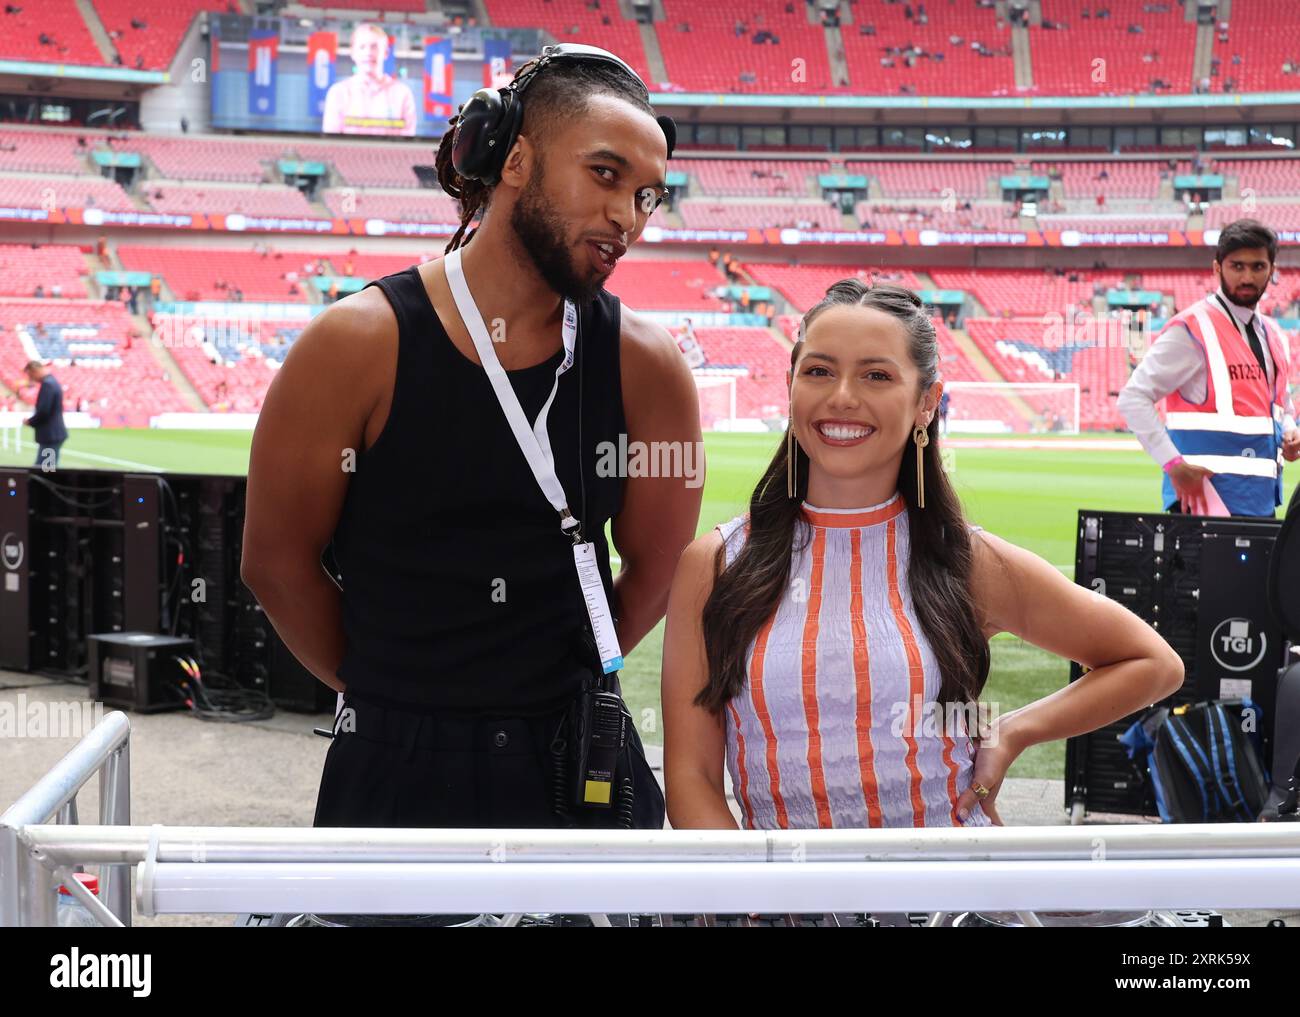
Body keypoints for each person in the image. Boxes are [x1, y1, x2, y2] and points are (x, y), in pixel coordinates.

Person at [242, 46, 700, 832]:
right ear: (513, 159)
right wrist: (394, 692)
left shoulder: (648, 365)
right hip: (396, 768)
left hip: (577, 762)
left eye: (647, 194)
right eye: (604, 174)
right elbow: (276, 563)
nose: (628, 215)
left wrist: (558, 683)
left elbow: (659, 569)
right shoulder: (356, 343)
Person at [662, 281, 1183, 830]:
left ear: (926, 403)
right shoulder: (716, 564)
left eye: (877, 375)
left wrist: (1013, 730)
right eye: (817, 371)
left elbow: (1153, 664)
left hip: (947, 902)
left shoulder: (967, 560)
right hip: (777, 911)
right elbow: (692, 779)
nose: (842, 396)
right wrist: (758, 904)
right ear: (790, 387)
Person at [1118, 219, 1298, 516]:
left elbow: (1282, 407)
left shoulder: (1274, 335)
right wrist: (1173, 465)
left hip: (1259, 502)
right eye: (1236, 266)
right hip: (1202, 505)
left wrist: (1290, 432)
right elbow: (1133, 398)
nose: (1248, 277)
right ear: (1217, 268)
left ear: (1272, 271)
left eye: (1257, 267)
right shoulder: (1192, 328)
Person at [320, 23, 417, 137]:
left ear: (385, 53)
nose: (368, 53)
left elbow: (407, 140)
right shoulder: (338, 92)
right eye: (362, 47)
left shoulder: (402, 93)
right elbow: (332, 141)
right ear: (353, 53)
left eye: (374, 47)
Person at [22, 360, 68, 469]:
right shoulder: (51, 382)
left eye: (30, 375)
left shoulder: (48, 384)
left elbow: (44, 411)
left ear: (35, 371)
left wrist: (30, 421)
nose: (31, 378)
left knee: (45, 470)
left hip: (50, 435)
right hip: (52, 434)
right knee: (45, 468)